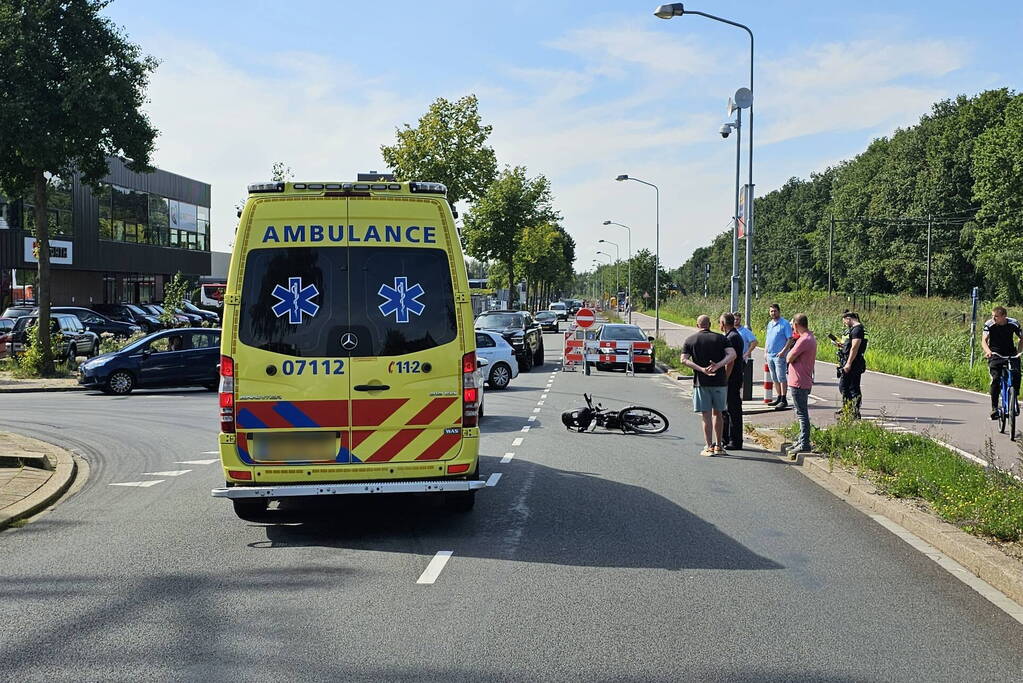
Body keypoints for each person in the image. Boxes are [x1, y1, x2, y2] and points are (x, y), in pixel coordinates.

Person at [681, 315, 736, 456]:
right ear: (710, 324)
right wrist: (718, 366)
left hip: (701, 382)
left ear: (697, 325)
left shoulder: (690, 340)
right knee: (718, 413)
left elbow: (684, 360)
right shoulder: (721, 338)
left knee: (706, 415)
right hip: (720, 382)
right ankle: (719, 446)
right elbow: (732, 355)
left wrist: (700, 369)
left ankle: (708, 447)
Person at [981, 306, 1023, 420]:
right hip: (995, 354)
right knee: (995, 379)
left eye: (996, 316)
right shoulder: (989, 324)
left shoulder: (1014, 323)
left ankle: (1014, 397)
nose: (993, 318)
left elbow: (1021, 338)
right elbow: (984, 340)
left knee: (1017, 374)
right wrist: (988, 351)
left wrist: (1019, 352)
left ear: (1004, 316)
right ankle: (994, 408)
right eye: (993, 316)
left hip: (1011, 353)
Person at [785, 313, 817, 458]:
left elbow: (789, 357)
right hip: (802, 379)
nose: (792, 328)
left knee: (802, 413)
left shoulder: (804, 340)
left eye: (793, 326)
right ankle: (801, 439)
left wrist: (791, 353)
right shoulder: (809, 338)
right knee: (800, 412)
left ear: (797, 325)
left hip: (799, 381)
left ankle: (804, 443)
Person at [830, 311, 867, 418]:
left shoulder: (857, 330)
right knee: (849, 386)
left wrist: (849, 363)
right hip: (853, 360)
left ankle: (852, 411)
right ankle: (850, 409)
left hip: (853, 362)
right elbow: (851, 346)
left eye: (845, 322)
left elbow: (855, 347)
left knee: (848, 387)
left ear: (848, 318)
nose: (845, 324)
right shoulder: (856, 329)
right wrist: (842, 346)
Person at [719, 312, 745, 450]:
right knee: (728, 409)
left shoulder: (732, 337)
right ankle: (727, 438)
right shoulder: (731, 335)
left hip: (733, 378)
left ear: (723, 324)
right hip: (734, 377)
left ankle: (735, 441)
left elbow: (731, 361)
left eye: (720, 322)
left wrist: (725, 378)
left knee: (733, 409)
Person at [764, 303, 793, 408]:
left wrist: (783, 351)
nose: (773, 313)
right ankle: (779, 397)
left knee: (781, 377)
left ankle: (784, 399)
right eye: (771, 311)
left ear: (779, 311)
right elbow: (768, 339)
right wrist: (765, 351)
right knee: (774, 377)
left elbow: (790, 339)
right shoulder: (770, 324)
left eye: (775, 311)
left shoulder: (784, 324)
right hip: (770, 354)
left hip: (779, 355)